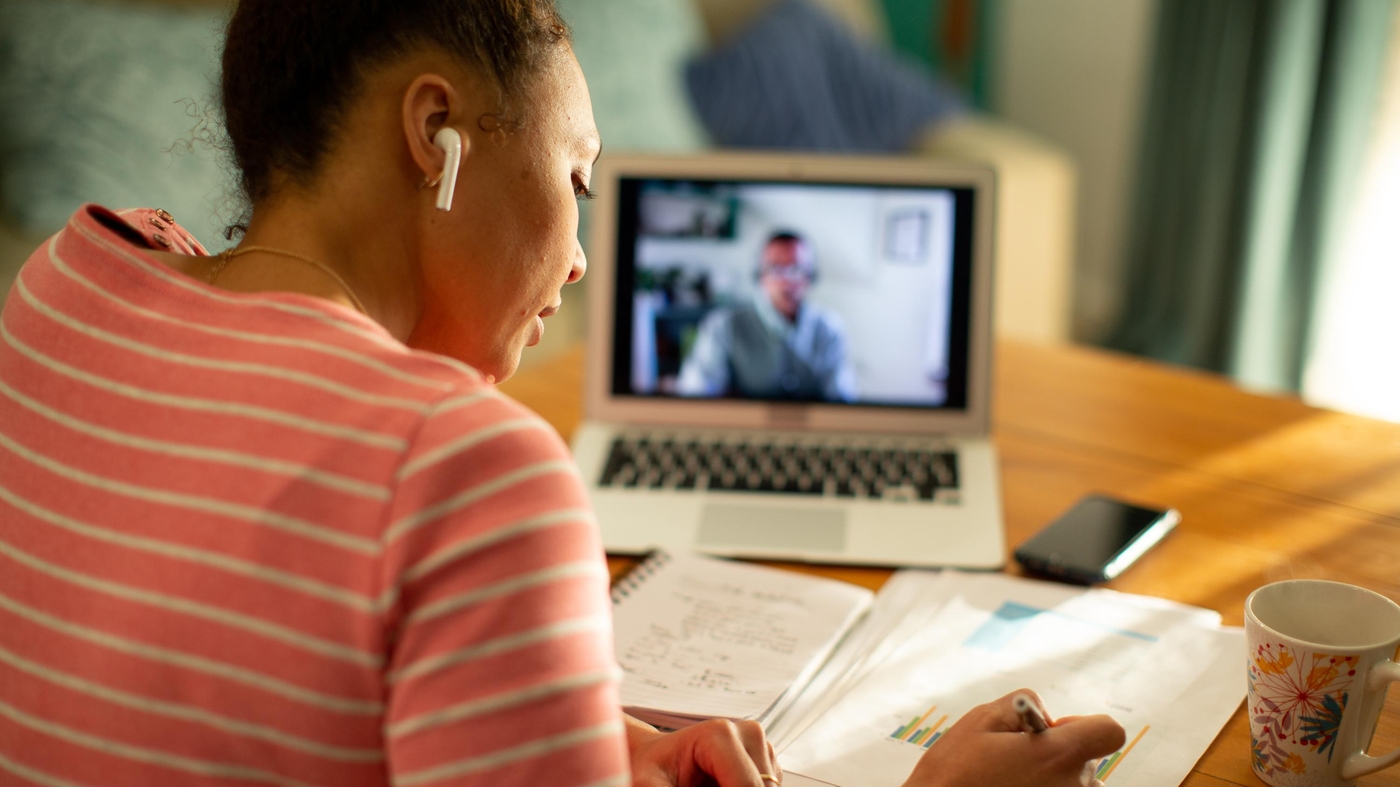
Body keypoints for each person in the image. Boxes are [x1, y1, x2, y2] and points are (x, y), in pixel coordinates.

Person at [0, 1, 1123, 786]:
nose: (582, 258)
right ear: (433, 133)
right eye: (577, 180)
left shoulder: (68, 278)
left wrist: (581, 736)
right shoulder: (468, 468)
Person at [677, 232, 858, 402]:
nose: (787, 281)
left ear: (810, 276)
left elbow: (841, 400)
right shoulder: (722, 326)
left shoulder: (830, 329)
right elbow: (696, 394)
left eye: (796, 269)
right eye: (776, 269)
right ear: (760, 275)